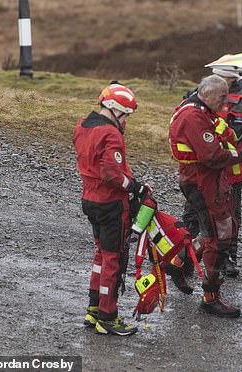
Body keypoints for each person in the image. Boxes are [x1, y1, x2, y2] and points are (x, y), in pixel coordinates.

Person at [167, 75, 242, 318]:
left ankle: (178, 263)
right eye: (222, 98)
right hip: (201, 183)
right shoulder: (193, 116)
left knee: (215, 233)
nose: (225, 103)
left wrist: (230, 138)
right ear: (207, 94)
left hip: (210, 183)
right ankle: (210, 297)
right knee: (217, 240)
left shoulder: (203, 111)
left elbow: (222, 131)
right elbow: (211, 156)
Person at [73, 82, 151, 336]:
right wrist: (136, 187)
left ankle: (93, 309)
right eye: (126, 115)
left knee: (101, 255)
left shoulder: (83, 126)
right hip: (111, 205)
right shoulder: (111, 134)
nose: (127, 121)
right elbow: (111, 172)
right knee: (113, 260)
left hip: (90, 200)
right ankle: (108, 317)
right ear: (116, 109)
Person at [179, 68, 242, 278]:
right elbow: (208, 149)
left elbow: (237, 135)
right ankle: (183, 258)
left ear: (232, 79)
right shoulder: (198, 103)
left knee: (229, 217)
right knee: (198, 217)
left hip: (230, 169)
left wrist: (230, 146)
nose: (222, 104)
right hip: (206, 171)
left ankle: (226, 258)